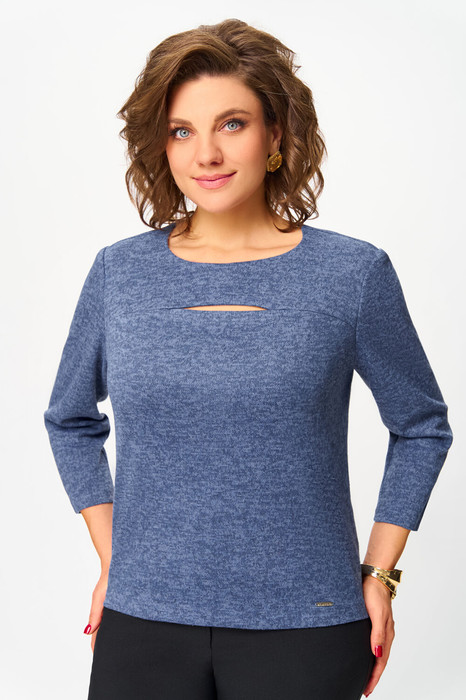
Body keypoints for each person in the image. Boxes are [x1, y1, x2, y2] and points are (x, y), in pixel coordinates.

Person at [43, 18, 453, 700]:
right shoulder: (120, 274)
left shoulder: (351, 275)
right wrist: (118, 558)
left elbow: (421, 426)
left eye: (231, 124)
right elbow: (69, 419)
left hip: (307, 627)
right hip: (142, 626)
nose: (206, 153)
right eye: (181, 131)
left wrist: (381, 576)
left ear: (276, 135)